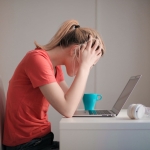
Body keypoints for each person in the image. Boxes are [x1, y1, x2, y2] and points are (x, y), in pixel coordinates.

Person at [2, 19, 105, 150]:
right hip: (25, 145)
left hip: (41, 140)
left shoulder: (55, 67)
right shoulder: (37, 60)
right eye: (90, 63)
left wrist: (84, 66)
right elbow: (67, 109)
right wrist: (84, 68)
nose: (88, 68)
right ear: (74, 51)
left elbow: (71, 104)